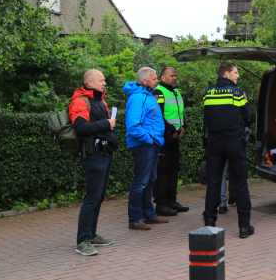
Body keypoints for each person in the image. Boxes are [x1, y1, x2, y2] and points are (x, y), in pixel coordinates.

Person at [202, 61, 254, 238]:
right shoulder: (238, 93)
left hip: (214, 142)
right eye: (236, 72)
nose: (238, 75)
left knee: (214, 183)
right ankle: (244, 226)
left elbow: (208, 117)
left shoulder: (207, 93)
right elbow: (249, 115)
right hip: (234, 141)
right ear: (226, 74)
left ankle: (209, 222)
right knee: (240, 184)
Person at [70, 70, 119, 256]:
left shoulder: (100, 101)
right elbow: (81, 127)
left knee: (98, 197)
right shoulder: (80, 101)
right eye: (101, 80)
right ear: (90, 82)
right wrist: (107, 124)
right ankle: (82, 240)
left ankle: (91, 235)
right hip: (93, 155)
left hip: (105, 154)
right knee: (91, 198)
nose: (105, 83)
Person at [124, 67, 167, 230]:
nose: (157, 81)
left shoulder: (146, 95)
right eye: (154, 79)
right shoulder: (138, 98)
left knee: (149, 180)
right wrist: (148, 139)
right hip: (144, 144)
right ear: (144, 81)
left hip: (151, 143)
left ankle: (148, 215)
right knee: (140, 182)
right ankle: (135, 219)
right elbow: (133, 126)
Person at [151, 67, 189, 217]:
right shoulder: (158, 92)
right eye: (171, 76)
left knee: (173, 169)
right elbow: (158, 115)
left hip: (174, 137)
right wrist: (171, 129)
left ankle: (172, 201)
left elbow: (179, 112)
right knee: (163, 172)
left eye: (175, 76)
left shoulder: (176, 91)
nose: (175, 78)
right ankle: (161, 204)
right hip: (164, 138)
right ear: (162, 77)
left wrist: (183, 125)